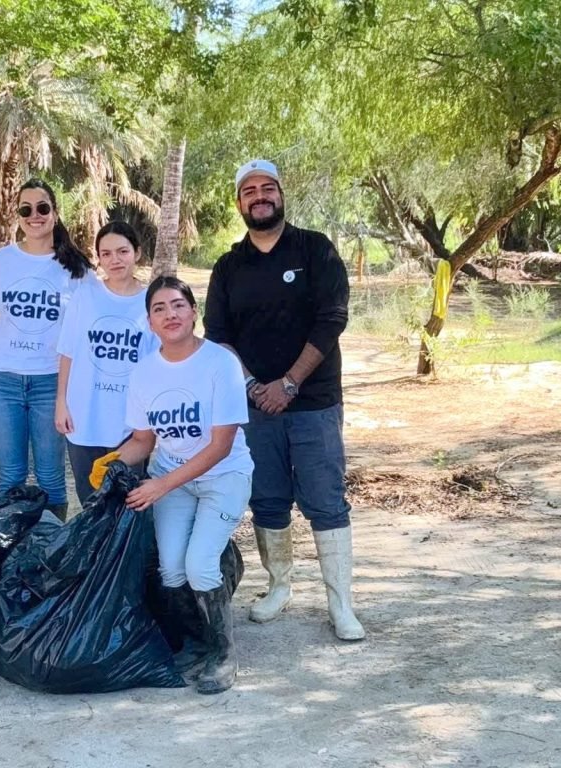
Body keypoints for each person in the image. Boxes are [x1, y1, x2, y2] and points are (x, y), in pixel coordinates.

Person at [203, 158, 365, 641]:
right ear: (239, 202)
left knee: (326, 501)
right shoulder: (228, 266)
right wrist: (254, 387)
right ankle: (278, 587)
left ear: (281, 194)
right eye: (249, 190)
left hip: (314, 402)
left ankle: (340, 604)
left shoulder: (315, 249)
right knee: (268, 499)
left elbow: (332, 318)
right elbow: (218, 335)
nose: (260, 196)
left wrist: (290, 383)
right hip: (254, 407)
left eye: (267, 187)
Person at [91, 275, 253, 695]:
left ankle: (224, 654)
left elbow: (220, 446)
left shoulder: (220, 363)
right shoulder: (144, 372)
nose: (170, 315)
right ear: (149, 322)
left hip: (223, 475)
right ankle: (198, 642)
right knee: (171, 569)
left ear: (194, 312)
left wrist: (160, 485)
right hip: (172, 477)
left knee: (200, 565)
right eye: (159, 309)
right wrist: (111, 463)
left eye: (178, 305)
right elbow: (143, 440)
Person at [0, 179, 96, 520]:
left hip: (52, 381)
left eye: (42, 208)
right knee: (10, 477)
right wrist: (15, 340)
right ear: (18, 216)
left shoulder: (77, 268)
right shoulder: (0, 261)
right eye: (25, 210)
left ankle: (49, 546)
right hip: (2, 379)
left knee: (50, 477)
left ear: (55, 212)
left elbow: (90, 324)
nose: (34, 216)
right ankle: (10, 547)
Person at [54, 221, 159, 504]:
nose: (115, 260)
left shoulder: (151, 301)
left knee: (128, 502)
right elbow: (68, 352)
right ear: (99, 258)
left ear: (137, 253)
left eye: (123, 251)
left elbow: (157, 364)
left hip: (129, 424)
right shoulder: (85, 296)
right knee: (90, 501)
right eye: (106, 253)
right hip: (84, 416)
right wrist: (61, 402)